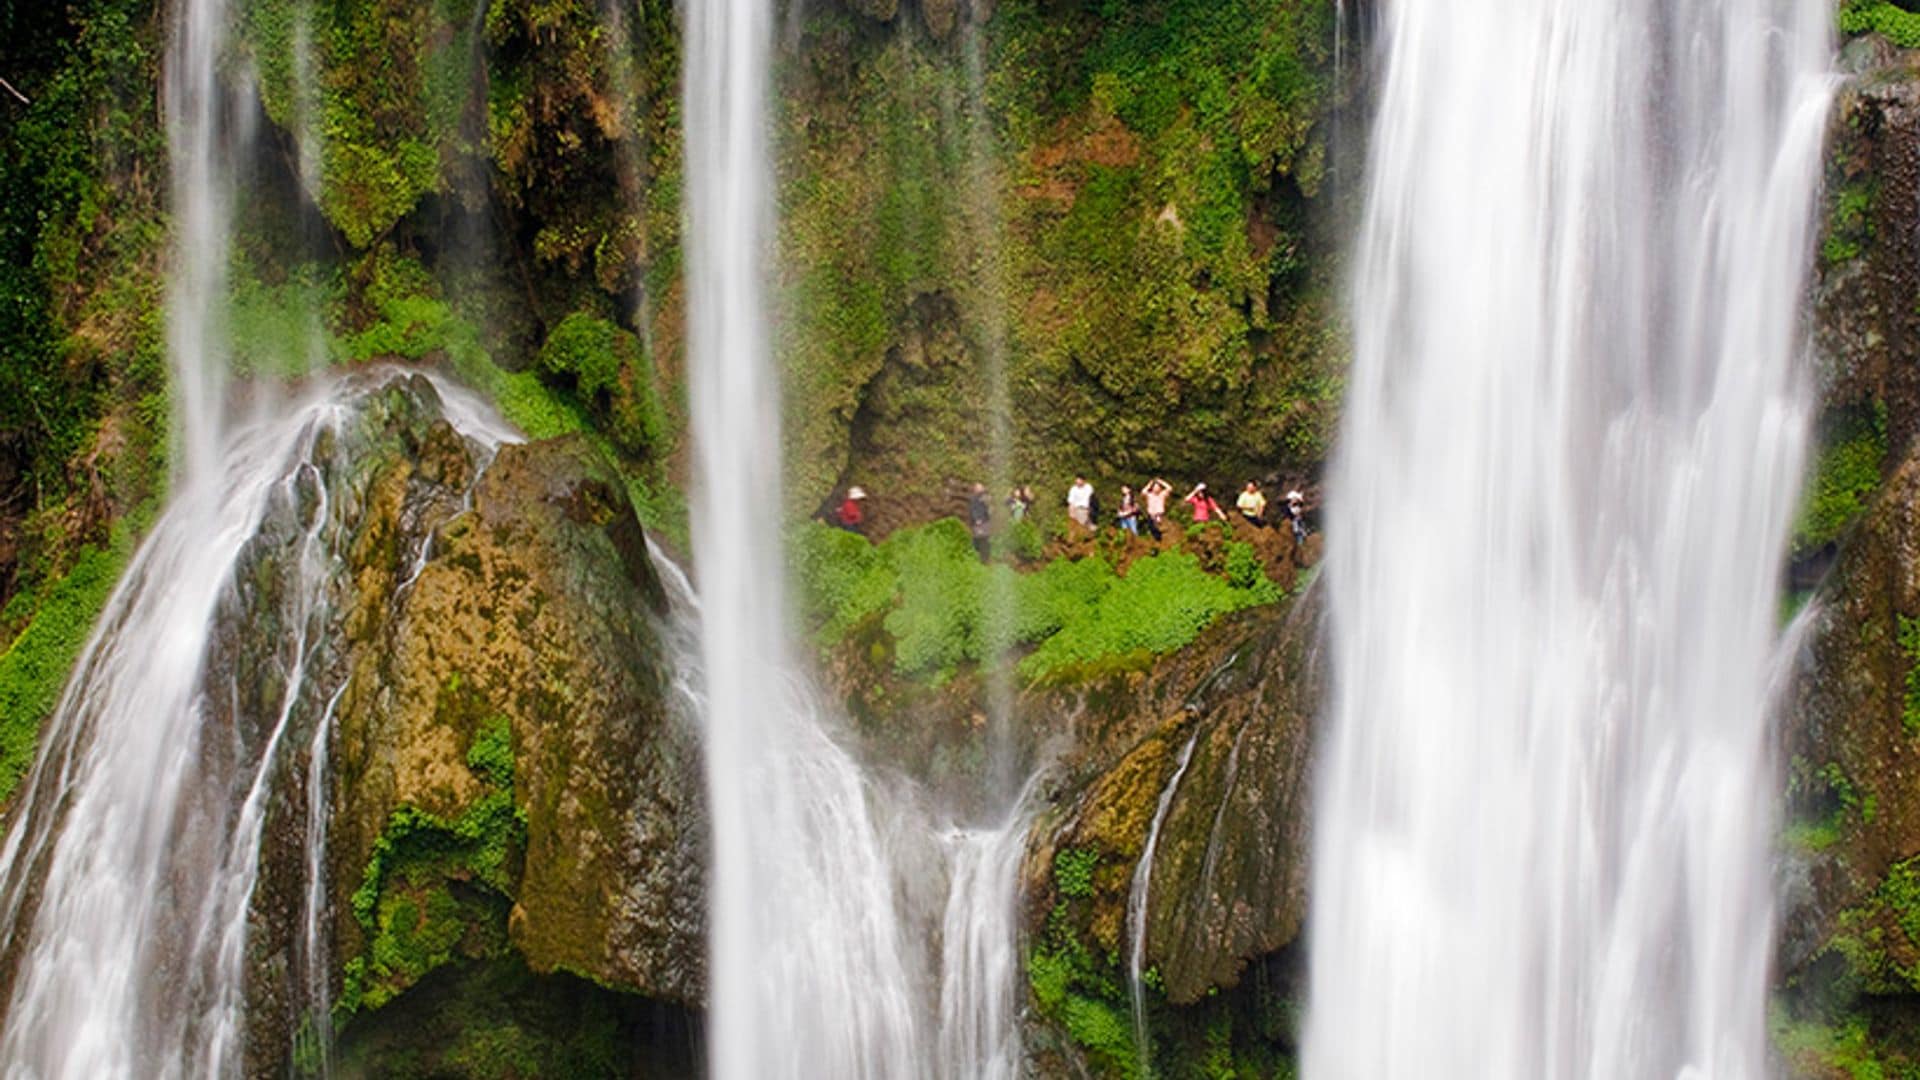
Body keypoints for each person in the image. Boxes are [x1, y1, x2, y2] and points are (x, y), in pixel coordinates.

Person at [968, 483, 993, 562]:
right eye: (980, 488)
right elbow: (972, 509)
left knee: (985, 538)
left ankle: (985, 558)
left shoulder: (984, 497)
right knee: (979, 538)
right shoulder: (973, 498)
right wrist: (976, 519)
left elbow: (987, 508)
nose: (982, 489)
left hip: (985, 521)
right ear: (975, 489)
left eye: (982, 487)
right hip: (978, 522)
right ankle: (978, 556)